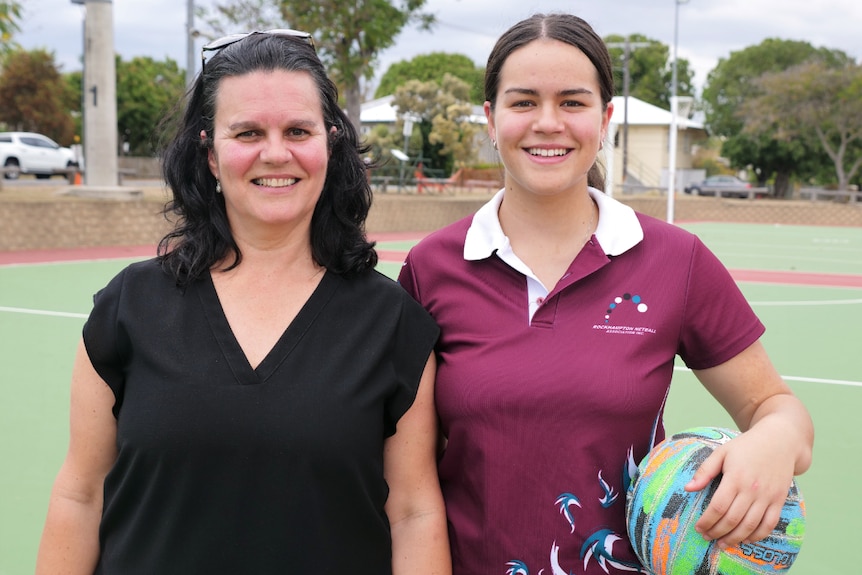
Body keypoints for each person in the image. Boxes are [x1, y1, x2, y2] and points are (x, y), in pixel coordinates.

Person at [397, 13, 814, 575]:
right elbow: (409, 490)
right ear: (491, 121)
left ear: (605, 118)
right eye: (523, 103)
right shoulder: (431, 268)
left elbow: (778, 409)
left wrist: (775, 440)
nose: (549, 123)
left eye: (573, 102)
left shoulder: (677, 259)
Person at [36, 30, 450, 575]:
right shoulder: (127, 307)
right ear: (209, 154)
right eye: (248, 132)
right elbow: (80, 494)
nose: (275, 153)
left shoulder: (393, 323)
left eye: (298, 131)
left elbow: (414, 512)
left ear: (329, 144)